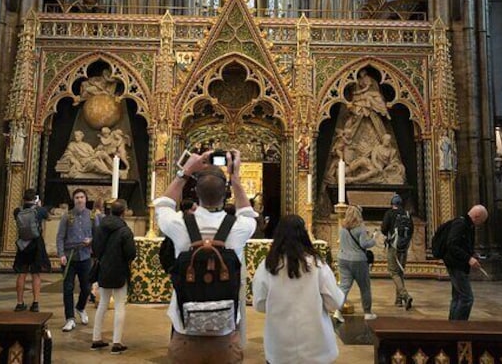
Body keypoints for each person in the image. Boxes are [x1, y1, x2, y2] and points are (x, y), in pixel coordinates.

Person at [155, 149, 256, 364]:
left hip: (185, 334)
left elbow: (163, 205)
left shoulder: (179, 225)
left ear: (196, 193)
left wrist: (185, 172)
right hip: (224, 336)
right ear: (225, 194)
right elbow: (247, 213)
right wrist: (235, 178)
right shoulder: (239, 228)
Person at [252, 214, 344, 364]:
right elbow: (334, 302)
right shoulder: (317, 265)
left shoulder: (268, 266)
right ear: (303, 235)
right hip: (315, 344)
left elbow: (259, 303)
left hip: (280, 345)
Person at [91, 199, 136, 354]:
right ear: (123, 212)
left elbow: (95, 248)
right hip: (119, 270)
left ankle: (96, 338)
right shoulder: (125, 230)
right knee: (119, 305)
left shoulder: (100, 227)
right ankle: (116, 342)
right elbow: (131, 253)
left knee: (103, 303)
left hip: (103, 268)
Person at [57, 188, 97, 331]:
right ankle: (70, 318)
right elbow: (60, 236)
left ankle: (80, 307)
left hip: (85, 256)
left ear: (86, 199)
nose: (79, 200)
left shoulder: (92, 216)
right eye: (77, 198)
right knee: (68, 287)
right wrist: (61, 254)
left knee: (86, 287)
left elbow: (97, 235)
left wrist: (91, 240)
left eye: (82, 197)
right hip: (69, 256)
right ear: (73, 200)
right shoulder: (67, 217)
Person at [444, 204, 489, 320]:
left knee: (458, 296)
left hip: (458, 264)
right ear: (477, 216)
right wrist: (468, 258)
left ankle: (452, 326)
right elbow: (452, 245)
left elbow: (463, 244)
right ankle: (459, 328)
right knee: (467, 298)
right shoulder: (461, 224)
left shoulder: (467, 225)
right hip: (456, 265)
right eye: (482, 221)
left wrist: (472, 254)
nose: (480, 225)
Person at [334, 205, 377, 322]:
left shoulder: (342, 227)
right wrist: (373, 239)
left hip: (343, 258)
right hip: (358, 260)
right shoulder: (360, 227)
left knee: (344, 286)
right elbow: (364, 244)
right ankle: (367, 312)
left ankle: (338, 311)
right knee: (365, 287)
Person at [13, 188, 50, 311]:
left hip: (23, 244)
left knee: (21, 274)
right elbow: (48, 217)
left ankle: (19, 302)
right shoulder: (39, 211)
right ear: (35, 199)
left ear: (23, 199)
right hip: (36, 244)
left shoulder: (18, 211)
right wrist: (39, 206)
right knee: (35, 274)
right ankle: (35, 303)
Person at [380, 194, 412, 309]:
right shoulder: (407, 214)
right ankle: (398, 300)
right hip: (404, 247)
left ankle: (405, 295)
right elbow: (411, 230)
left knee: (393, 271)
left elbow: (383, 229)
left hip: (393, 246)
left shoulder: (389, 214)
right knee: (400, 272)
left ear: (391, 204)